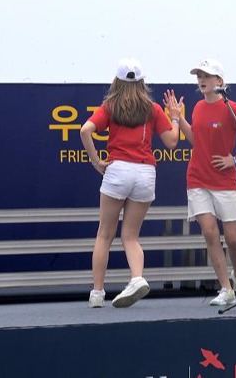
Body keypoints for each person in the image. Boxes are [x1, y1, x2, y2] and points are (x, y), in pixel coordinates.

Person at [164, 58, 236, 306]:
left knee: (232, 238)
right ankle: (225, 288)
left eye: (207, 76)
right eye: (199, 76)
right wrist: (178, 118)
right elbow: (195, 140)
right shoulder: (198, 107)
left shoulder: (231, 108)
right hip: (197, 178)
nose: (201, 80)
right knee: (210, 233)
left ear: (219, 81)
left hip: (226, 181)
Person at [81, 58, 180, 308]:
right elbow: (172, 142)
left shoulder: (110, 106)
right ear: (142, 81)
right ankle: (136, 278)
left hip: (117, 170)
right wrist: (176, 117)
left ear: (117, 80)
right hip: (145, 173)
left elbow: (85, 130)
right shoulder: (153, 108)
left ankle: (97, 294)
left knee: (104, 234)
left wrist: (96, 162)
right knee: (131, 236)